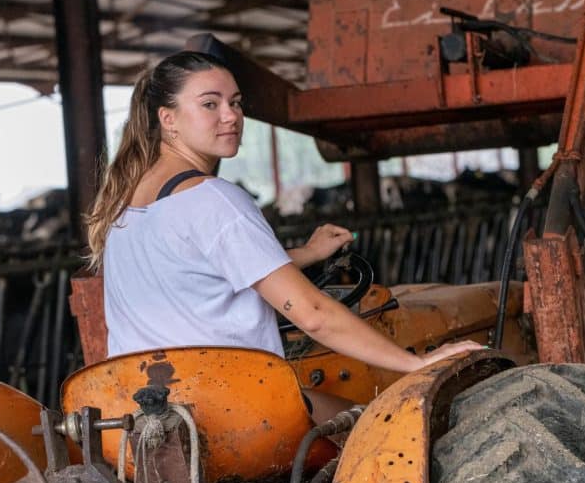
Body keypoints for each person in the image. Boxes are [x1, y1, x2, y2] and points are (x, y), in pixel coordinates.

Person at [85, 51, 482, 415]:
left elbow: (202, 273)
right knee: (377, 427)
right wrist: (416, 363)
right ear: (167, 118)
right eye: (210, 104)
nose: (231, 115)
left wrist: (307, 254)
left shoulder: (124, 205)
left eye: (235, 102)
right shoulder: (212, 199)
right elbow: (313, 315)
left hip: (146, 411)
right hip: (231, 412)